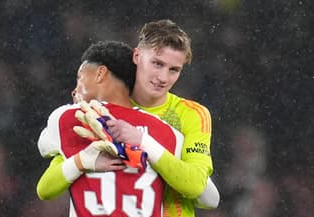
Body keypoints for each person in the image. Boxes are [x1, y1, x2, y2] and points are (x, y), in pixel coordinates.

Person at [36, 40, 185, 216]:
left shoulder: (67, 118)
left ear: (100, 73)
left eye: (80, 78)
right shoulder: (168, 133)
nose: (74, 91)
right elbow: (202, 192)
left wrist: (81, 160)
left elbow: (43, 149)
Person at [104, 19, 219, 217]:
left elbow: (195, 186)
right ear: (137, 56)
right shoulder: (106, 109)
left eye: (174, 70)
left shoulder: (192, 114)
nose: (163, 78)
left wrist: (143, 141)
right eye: (157, 64)